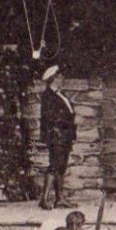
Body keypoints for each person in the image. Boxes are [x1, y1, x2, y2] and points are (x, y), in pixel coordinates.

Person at [38, 66, 77, 210]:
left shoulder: (61, 94)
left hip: (64, 136)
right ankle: (45, 198)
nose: (62, 79)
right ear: (53, 79)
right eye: (60, 77)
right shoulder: (48, 96)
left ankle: (59, 199)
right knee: (54, 165)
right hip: (56, 135)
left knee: (61, 166)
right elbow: (50, 117)